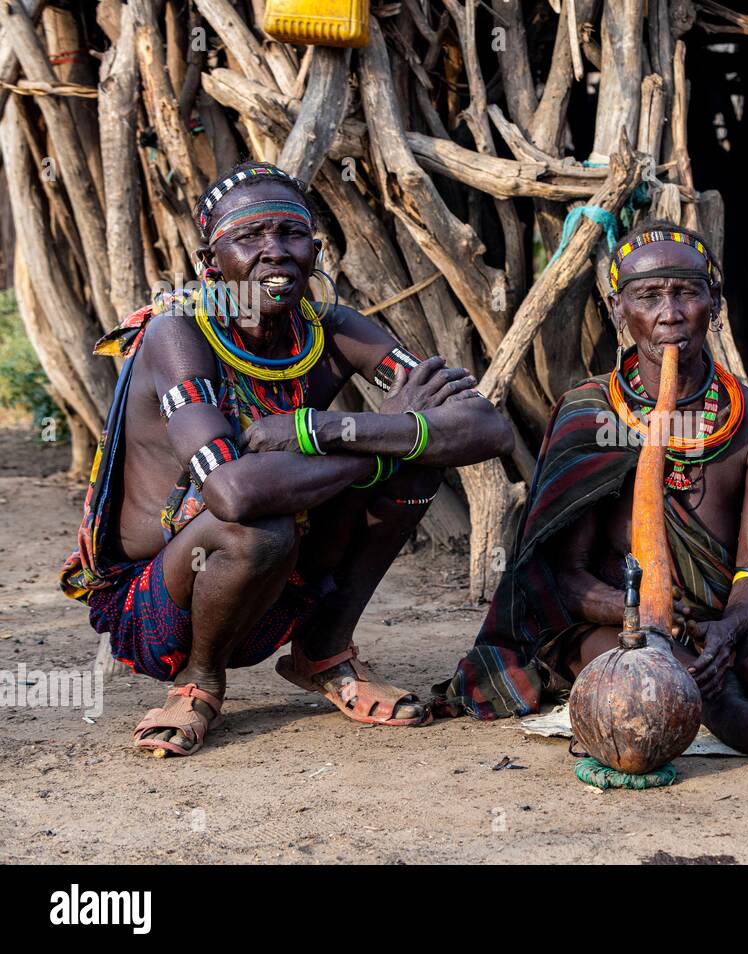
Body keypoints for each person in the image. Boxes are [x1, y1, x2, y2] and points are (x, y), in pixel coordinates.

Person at [434, 221, 748, 809]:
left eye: (687, 293)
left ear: (714, 306)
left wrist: (731, 626)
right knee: (679, 688)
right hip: (614, 626)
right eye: (648, 297)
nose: (670, 312)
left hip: (723, 620)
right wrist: (645, 619)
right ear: (620, 311)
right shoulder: (588, 414)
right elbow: (565, 576)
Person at [61, 161, 513, 756]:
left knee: (414, 464)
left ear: (316, 250)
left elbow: (486, 427)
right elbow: (233, 494)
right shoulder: (178, 334)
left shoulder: (332, 329)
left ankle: (323, 654)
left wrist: (319, 426)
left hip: (284, 577)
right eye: (250, 237)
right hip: (161, 603)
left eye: (291, 235)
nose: (275, 252)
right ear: (209, 263)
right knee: (262, 527)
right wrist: (386, 441)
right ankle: (199, 680)